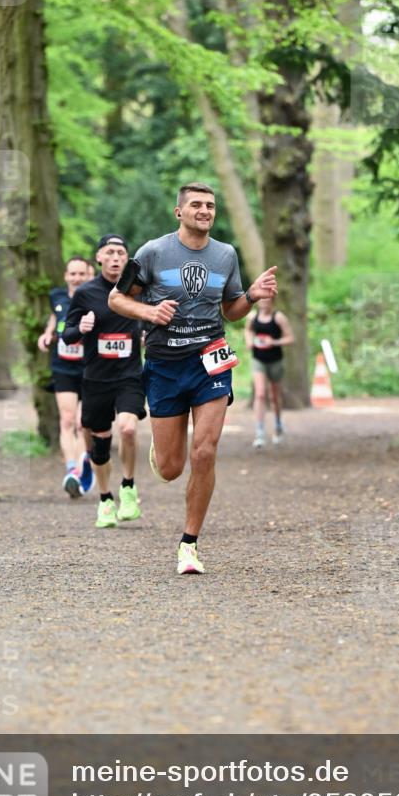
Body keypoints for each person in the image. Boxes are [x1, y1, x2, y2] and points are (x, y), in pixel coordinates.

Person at [108, 182, 278, 575]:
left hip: (210, 361)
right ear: (179, 212)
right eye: (197, 205)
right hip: (166, 365)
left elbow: (231, 310)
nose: (205, 210)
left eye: (211, 205)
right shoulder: (152, 252)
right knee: (171, 468)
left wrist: (251, 295)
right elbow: (117, 298)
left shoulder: (226, 255)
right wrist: (150, 314)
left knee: (205, 450)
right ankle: (162, 453)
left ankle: (189, 544)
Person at [62, 234, 146, 528]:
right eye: (109, 252)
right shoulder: (85, 293)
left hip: (130, 375)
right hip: (96, 379)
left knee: (127, 429)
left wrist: (147, 332)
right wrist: (80, 328)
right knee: (99, 445)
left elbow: (152, 320)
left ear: (126, 258)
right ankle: (105, 499)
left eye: (121, 252)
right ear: (98, 257)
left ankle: (128, 486)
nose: (115, 257)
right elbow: (67, 333)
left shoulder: (138, 290)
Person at [38, 256, 95, 498]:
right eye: (72, 274)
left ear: (88, 275)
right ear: (66, 276)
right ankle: (72, 470)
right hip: (63, 366)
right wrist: (48, 333)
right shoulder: (57, 297)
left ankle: (82, 469)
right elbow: (55, 316)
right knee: (68, 420)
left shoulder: (95, 297)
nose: (77, 278)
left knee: (84, 423)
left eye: (81, 274)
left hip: (89, 367)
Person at [244, 297, 294, 448]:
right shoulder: (252, 316)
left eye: (267, 300)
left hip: (275, 360)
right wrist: (249, 341)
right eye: (261, 299)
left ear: (272, 301)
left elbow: (290, 338)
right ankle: (259, 432)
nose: (264, 302)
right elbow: (248, 330)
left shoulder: (278, 317)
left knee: (274, 396)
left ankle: (278, 425)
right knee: (260, 394)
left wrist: (274, 342)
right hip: (258, 360)